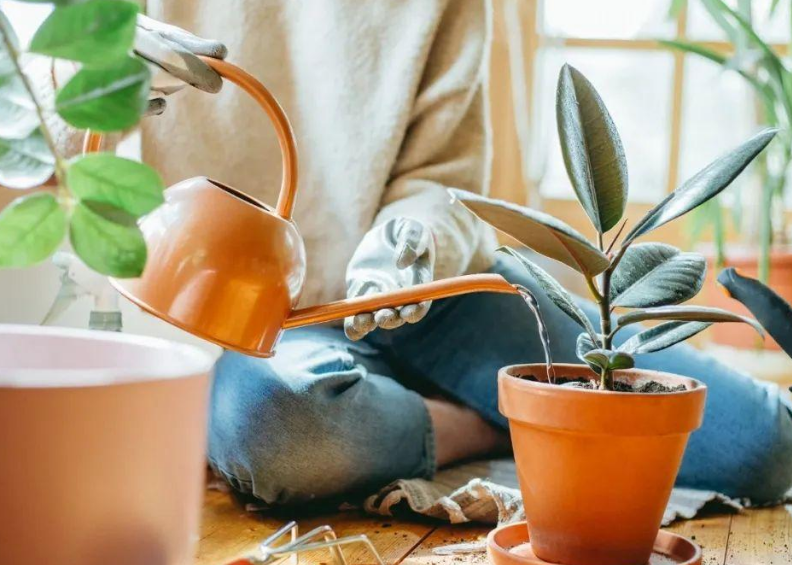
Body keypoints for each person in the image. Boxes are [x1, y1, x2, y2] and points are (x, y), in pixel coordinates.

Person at [50, 0, 792, 507]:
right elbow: (39, 130)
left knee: (761, 446)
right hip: (263, 316)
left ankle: (459, 408)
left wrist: (411, 243)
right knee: (279, 432)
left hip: (432, 293)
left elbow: (444, 176)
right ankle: (497, 421)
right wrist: (91, 63)